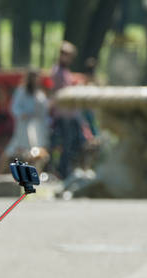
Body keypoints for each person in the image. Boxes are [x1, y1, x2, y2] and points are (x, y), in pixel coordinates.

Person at [49, 41, 85, 179]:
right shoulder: (58, 71)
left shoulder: (65, 71)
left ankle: (65, 169)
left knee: (69, 143)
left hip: (70, 114)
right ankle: (63, 171)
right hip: (63, 114)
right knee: (65, 143)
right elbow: (62, 91)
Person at [3, 68, 50, 172]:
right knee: (17, 149)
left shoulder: (39, 93)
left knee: (37, 150)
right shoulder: (21, 91)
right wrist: (22, 114)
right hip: (23, 126)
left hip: (37, 127)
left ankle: (35, 172)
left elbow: (44, 110)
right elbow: (14, 107)